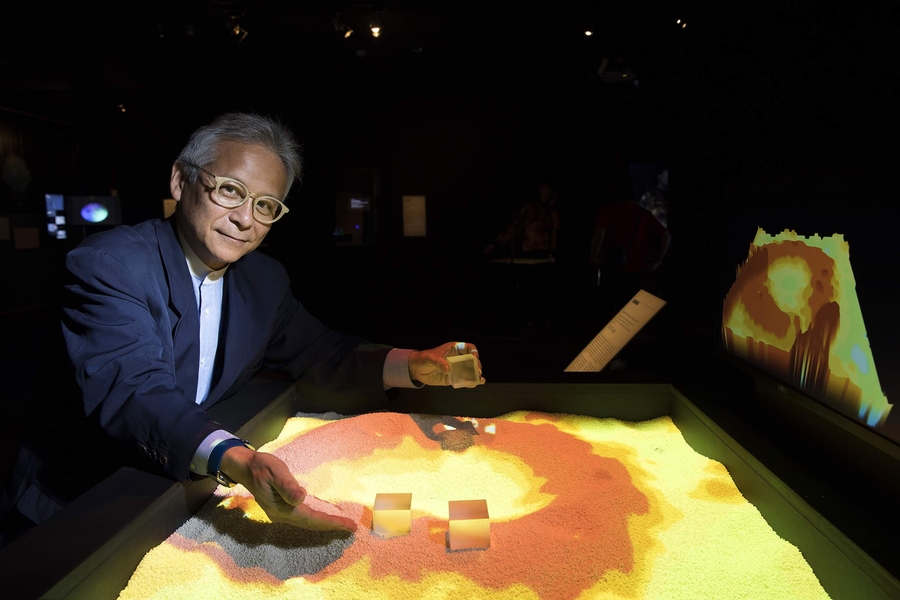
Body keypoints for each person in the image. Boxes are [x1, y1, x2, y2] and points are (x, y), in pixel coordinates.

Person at [0, 112, 485, 545]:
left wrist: (416, 366)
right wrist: (238, 459)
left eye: (266, 206)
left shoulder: (264, 279)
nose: (244, 220)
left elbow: (322, 353)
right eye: (231, 190)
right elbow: (134, 391)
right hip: (78, 503)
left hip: (174, 492)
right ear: (180, 180)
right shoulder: (111, 264)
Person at [589, 197, 671, 334]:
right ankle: (623, 352)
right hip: (634, 272)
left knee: (603, 314)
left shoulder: (609, 210)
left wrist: (594, 257)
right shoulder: (644, 215)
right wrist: (657, 262)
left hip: (611, 270)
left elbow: (600, 234)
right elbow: (666, 236)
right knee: (627, 319)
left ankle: (601, 349)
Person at [484, 182, 561, 259]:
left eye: (550, 188)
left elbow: (557, 228)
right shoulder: (530, 207)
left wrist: (553, 205)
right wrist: (495, 244)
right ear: (540, 188)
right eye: (546, 187)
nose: (548, 190)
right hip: (530, 253)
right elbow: (514, 227)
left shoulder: (553, 210)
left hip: (548, 254)